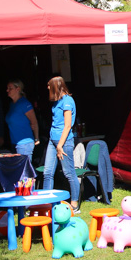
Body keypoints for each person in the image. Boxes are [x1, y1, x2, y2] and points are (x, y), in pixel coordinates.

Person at [43, 76, 80, 211]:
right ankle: (46, 203)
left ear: (56, 86)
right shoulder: (56, 101)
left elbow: (68, 125)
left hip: (64, 142)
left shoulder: (67, 101)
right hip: (53, 141)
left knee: (69, 172)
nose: (47, 88)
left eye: (49, 85)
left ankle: (74, 204)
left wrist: (60, 145)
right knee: (47, 172)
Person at [5, 79, 40, 158]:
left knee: (23, 169)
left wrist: (36, 138)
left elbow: (34, 121)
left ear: (18, 89)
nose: (7, 90)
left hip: (24, 144)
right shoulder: (12, 104)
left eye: (10, 88)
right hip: (14, 143)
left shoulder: (24, 103)